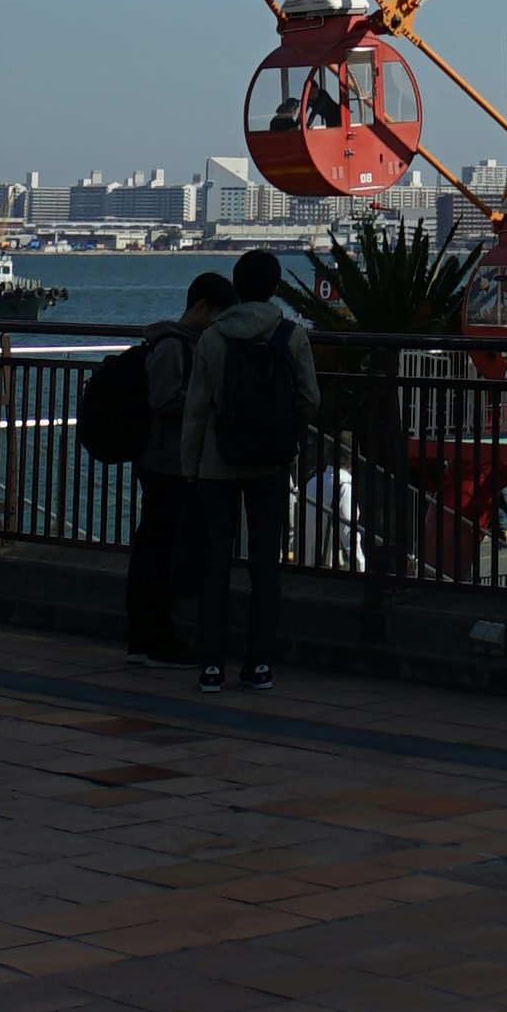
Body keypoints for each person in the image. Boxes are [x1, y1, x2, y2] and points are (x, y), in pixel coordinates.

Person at [181, 242, 320, 691]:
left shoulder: (213, 338)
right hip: (271, 466)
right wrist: (283, 432)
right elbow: (310, 400)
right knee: (266, 565)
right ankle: (260, 664)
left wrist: (191, 466)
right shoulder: (291, 335)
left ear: (237, 288)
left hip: (218, 467)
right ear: (275, 287)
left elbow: (197, 410)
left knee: (215, 564)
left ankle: (211, 667)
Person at [125, 270, 231, 664]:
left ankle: (147, 636)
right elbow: (163, 398)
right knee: (158, 548)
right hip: (165, 461)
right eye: (216, 315)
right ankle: (152, 637)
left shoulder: (179, 342)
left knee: (156, 545)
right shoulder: (174, 345)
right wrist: (206, 400)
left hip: (165, 459)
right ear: (201, 307)